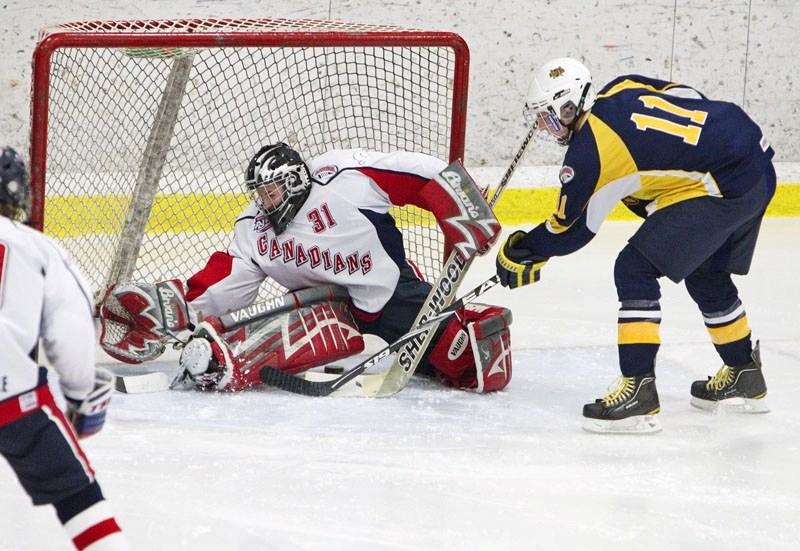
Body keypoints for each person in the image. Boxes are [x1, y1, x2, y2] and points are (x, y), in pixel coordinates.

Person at [495, 58, 775, 433]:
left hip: (726, 183)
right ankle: (744, 373)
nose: (546, 127)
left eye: (549, 117)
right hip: (752, 153)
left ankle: (638, 390)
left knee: (633, 268)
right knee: (705, 270)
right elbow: (686, 96)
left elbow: (570, 232)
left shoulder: (588, 153)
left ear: (569, 106)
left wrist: (521, 248)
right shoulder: (621, 86)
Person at [99, 144, 513, 394]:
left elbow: (419, 175)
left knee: (468, 364)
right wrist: (181, 311)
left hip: (385, 292)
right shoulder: (254, 227)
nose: (265, 200)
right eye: (259, 192)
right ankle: (219, 360)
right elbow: (234, 282)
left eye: (272, 189)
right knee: (276, 323)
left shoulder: (342, 179)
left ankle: (464, 324)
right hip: (322, 308)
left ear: (296, 181)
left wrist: (464, 211)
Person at [0, 146, 129, 549]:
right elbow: (70, 330)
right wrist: (79, 393)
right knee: (79, 499)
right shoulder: (38, 248)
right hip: (12, 400)